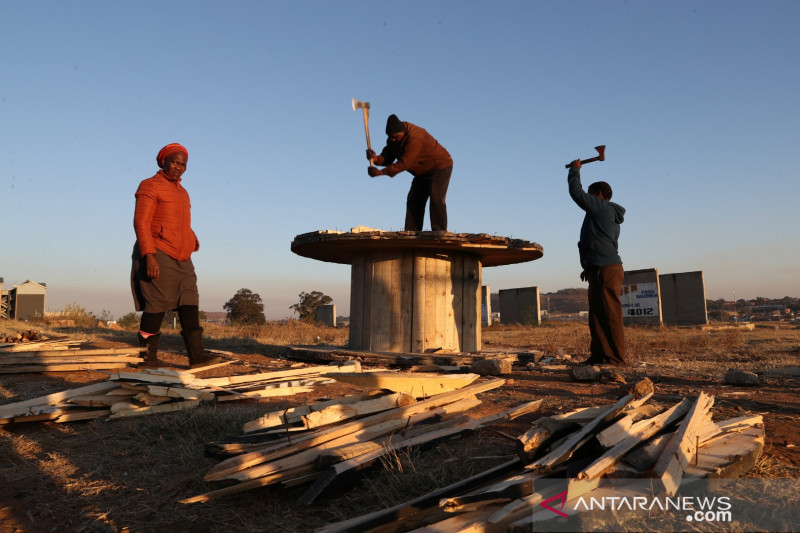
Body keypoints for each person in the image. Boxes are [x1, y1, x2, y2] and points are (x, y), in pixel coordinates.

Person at [130, 143, 221, 369]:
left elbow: (180, 223)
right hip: (158, 251)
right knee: (156, 304)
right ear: (164, 162)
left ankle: (196, 355)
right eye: (175, 162)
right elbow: (141, 223)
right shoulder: (150, 185)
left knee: (190, 300)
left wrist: (191, 239)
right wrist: (148, 255)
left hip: (182, 256)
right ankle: (147, 357)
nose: (179, 167)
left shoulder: (183, 192)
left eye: (183, 164)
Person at [568, 158, 627, 366]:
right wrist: (590, 267)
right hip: (600, 268)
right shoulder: (604, 215)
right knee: (597, 316)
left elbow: (577, 193)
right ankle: (600, 355)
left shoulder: (602, 208)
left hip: (606, 270)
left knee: (610, 315)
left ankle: (616, 358)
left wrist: (575, 170)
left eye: (591, 196)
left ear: (599, 195)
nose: (588, 200)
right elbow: (599, 242)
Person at [366, 114, 453, 231]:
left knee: (436, 198)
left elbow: (404, 163)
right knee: (414, 200)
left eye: (395, 137)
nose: (393, 139)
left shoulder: (415, 137)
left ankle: (439, 232)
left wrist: (380, 173)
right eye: (390, 137)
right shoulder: (393, 139)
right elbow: (387, 158)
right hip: (422, 172)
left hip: (440, 166)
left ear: (402, 132)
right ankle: (412, 232)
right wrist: (375, 159)